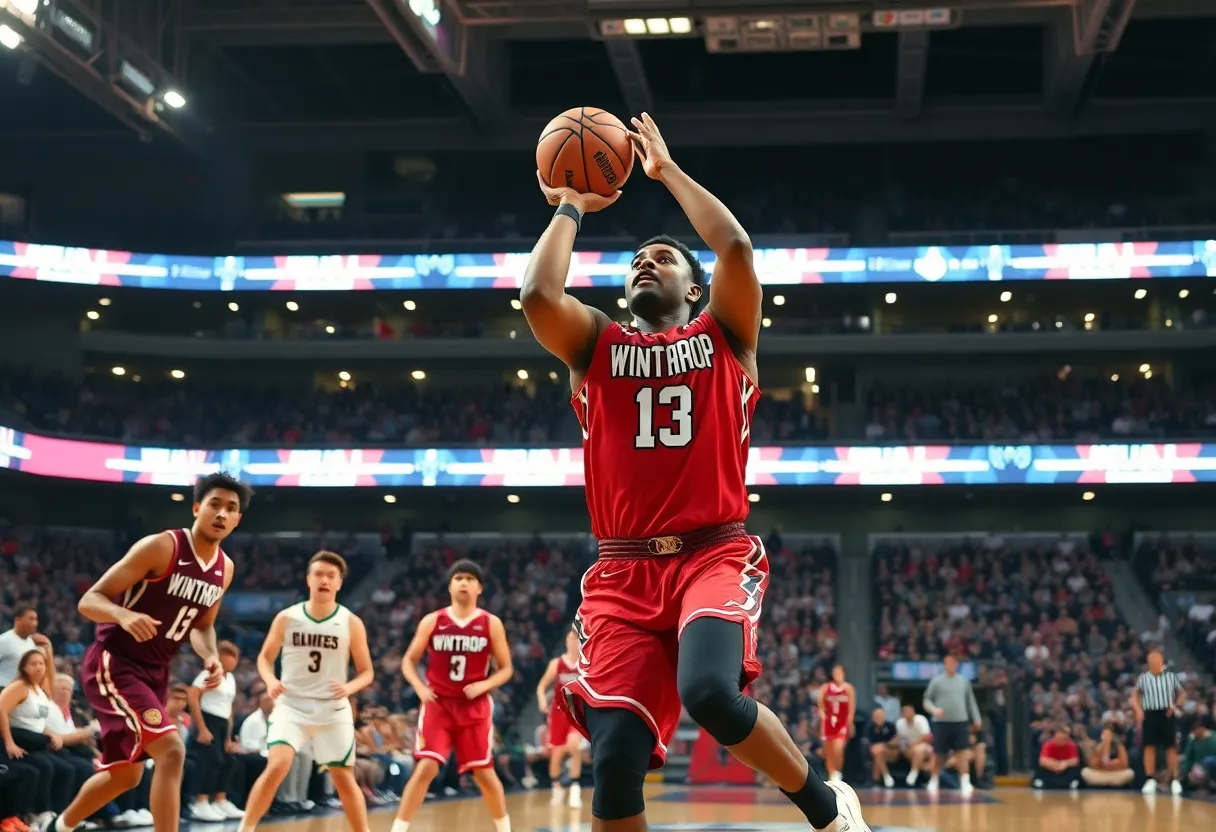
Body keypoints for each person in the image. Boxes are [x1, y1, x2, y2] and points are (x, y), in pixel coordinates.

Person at [521, 111, 869, 832]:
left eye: (663, 258)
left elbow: (735, 245)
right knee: (614, 760)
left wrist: (666, 172)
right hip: (622, 571)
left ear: (694, 286)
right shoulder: (595, 343)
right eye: (636, 262)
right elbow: (537, 298)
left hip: (712, 552)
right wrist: (570, 204)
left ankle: (827, 809)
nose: (645, 264)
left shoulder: (725, 334)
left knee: (710, 691)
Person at [44, 472, 249, 832]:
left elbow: (202, 626)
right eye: (214, 504)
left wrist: (211, 656)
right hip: (115, 661)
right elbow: (89, 600)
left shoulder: (225, 568)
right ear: (197, 508)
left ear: (237, 519)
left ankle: (59, 827)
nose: (221, 513)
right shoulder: (162, 546)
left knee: (127, 775)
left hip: (156, 671)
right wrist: (123, 615)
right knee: (172, 750)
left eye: (230, 508)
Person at [237, 551, 374, 832]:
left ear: (339, 583)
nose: (324, 580)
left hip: (332, 709)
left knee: (343, 778)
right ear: (308, 579)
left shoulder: (350, 622)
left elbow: (366, 671)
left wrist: (348, 687)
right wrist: (270, 681)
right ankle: (245, 829)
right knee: (277, 766)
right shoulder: (287, 617)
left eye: (331, 576)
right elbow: (264, 658)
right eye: (319, 574)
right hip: (292, 705)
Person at [393, 560, 514, 832]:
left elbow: (506, 668)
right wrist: (420, 687)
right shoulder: (432, 620)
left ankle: (504, 828)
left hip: (474, 708)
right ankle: (398, 829)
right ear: (449, 586)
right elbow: (409, 661)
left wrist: (485, 685)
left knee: (483, 773)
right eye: (458, 578)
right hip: (439, 705)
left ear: (479, 588)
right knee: (426, 767)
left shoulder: (491, 623)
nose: (463, 583)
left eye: (470, 579)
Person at [0, 650, 71, 822]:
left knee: (66, 768)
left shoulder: (41, 691)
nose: (38, 667)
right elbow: (1, 709)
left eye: (41, 663)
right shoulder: (19, 686)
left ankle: (58, 815)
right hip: (18, 737)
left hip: (35, 738)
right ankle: (36, 814)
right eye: (33, 664)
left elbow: (38, 721)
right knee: (44, 767)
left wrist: (53, 734)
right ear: (24, 667)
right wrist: (9, 743)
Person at [187, 640, 243, 820]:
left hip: (222, 721)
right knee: (210, 760)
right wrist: (201, 727)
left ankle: (220, 800)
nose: (235, 660)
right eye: (231, 656)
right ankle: (200, 802)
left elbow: (229, 707)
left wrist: (228, 737)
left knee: (227, 760)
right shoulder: (209, 673)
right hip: (208, 719)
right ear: (221, 656)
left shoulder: (230, 679)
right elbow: (193, 695)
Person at [536, 627, 584, 808]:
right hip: (557, 713)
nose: (573, 642)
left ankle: (575, 789)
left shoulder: (585, 664)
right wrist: (542, 701)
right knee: (555, 755)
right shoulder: (556, 663)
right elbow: (541, 686)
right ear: (566, 642)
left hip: (576, 713)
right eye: (571, 639)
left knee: (573, 745)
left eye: (576, 639)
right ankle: (557, 788)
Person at [922, 655, 981, 794]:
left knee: (962, 752)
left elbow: (971, 702)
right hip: (941, 722)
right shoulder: (936, 681)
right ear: (944, 664)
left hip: (960, 721)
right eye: (948, 663)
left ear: (957, 664)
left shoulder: (964, 681)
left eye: (953, 662)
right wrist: (934, 710)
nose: (951, 665)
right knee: (939, 753)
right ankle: (934, 780)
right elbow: (926, 700)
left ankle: (965, 781)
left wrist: (976, 718)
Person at [1132, 649, 1183, 794]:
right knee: (1149, 747)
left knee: (1170, 747)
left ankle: (1174, 779)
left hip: (1166, 712)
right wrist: (1138, 710)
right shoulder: (1143, 678)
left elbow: (1181, 693)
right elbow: (1135, 695)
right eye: (1151, 660)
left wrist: (1175, 706)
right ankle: (1150, 779)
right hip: (1149, 713)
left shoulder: (1170, 676)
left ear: (1161, 661)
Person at [818, 666, 855, 783]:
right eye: (835, 673)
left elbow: (851, 708)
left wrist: (850, 723)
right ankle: (831, 774)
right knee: (829, 751)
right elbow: (820, 705)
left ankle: (838, 771)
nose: (837, 675)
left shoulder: (848, 688)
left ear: (844, 673)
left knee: (838, 748)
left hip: (842, 722)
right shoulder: (826, 687)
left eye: (839, 672)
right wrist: (823, 718)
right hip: (829, 722)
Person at [0, 608, 51, 688]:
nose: (34, 623)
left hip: (25, 688)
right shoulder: (4, 640)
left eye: (36, 620)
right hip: (4, 688)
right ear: (18, 620)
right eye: (31, 619)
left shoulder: (33, 642)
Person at [894, 704, 934, 787]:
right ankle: (924, 769)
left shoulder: (921, 719)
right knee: (906, 750)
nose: (908, 713)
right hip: (909, 748)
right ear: (902, 713)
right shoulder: (899, 723)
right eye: (905, 712)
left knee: (918, 750)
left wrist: (914, 744)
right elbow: (900, 738)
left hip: (925, 746)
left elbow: (927, 736)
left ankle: (914, 772)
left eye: (909, 711)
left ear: (913, 712)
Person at [1033, 725, 1081, 790]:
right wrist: (1054, 765)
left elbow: (1075, 760)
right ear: (1055, 735)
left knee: (1075, 770)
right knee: (1041, 770)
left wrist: (1065, 764)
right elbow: (1043, 760)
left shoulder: (1072, 745)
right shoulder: (1048, 745)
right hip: (1051, 769)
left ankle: (1072, 784)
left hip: (1065, 769)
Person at [865, 707, 898, 788]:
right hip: (877, 752)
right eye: (876, 716)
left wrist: (884, 745)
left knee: (878, 751)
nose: (878, 718)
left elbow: (896, 741)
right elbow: (870, 744)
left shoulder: (890, 726)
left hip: (891, 751)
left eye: (880, 715)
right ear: (873, 717)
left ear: (884, 716)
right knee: (878, 755)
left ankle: (876, 780)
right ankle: (886, 777)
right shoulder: (870, 728)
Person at [1180, 716, 1216, 791]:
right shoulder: (1192, 741)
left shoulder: (1214, 738)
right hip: (1196, 768)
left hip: (1211, 766)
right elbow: (1188, 758)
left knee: (1208, 761)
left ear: (1202, 729)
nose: (1194, 732)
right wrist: (1184, 770)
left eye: (1196, 730)